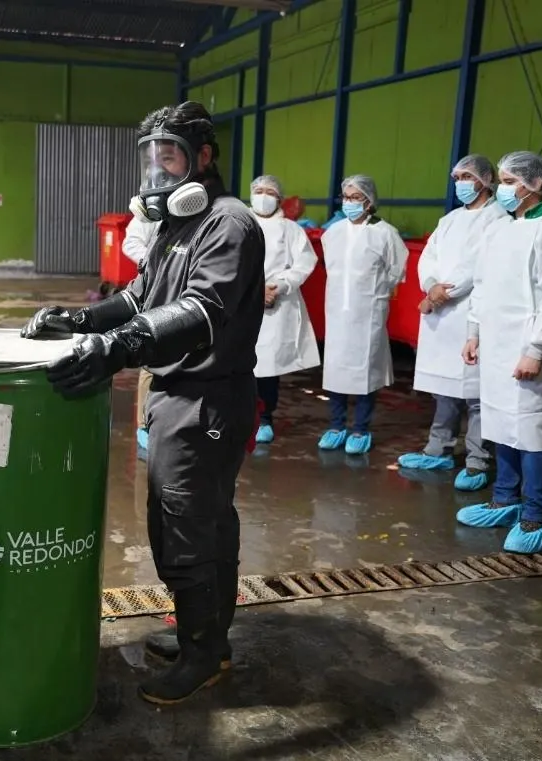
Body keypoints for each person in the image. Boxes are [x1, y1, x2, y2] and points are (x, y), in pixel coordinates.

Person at [20, 101, 264, 705]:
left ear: (203, 158)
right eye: (151, 156)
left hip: (207, 399)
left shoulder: (228, 224)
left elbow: (202, 310)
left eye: (170, 155)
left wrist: (117, 348)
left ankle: (203, 654)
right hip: (176, 394)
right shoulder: (176, 225)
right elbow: (139, 296)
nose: (158, 169)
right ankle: (207, 640)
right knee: (191, 519)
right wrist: (82, 319)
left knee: (188, 526)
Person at [458, 151, 542, 554]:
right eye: (501, 181)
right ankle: (504, 498)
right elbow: (483, 284)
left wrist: (536, 347)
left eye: (511, 181)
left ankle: (535, 513)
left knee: (530, 428)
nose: (503, 189)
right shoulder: (501, 228)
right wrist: (474, 331)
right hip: (496, 344)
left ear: (536, 184)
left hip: (531, 347)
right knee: (500, 422)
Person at [397, 155, 506, 490]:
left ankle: (477, 460)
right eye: (457, 177)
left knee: (476, 395)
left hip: (471, 313)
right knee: (443, 389)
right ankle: (438, 449)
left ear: (485, 180)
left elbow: (478, 266)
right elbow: (428, 257)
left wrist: (444, 293)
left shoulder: (498, 219)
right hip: (441, 317)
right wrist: (431, 286)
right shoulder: (450, 220)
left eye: (467, 177)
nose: (460, 183)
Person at [318, 174, 406, 455]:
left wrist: (377, 291)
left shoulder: (385, 233)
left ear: (369, 201)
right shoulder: (333, 233)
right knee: (335, 369)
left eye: (356, 197)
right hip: (337, 311)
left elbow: (397, 270)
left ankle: (361, 428)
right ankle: (336, 425)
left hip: (368, 312)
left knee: (366, 370)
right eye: (346, 197)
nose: (350, 202)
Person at [248, 174, 319, 443]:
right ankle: (239, 415)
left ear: (279, 199)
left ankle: (265, 417)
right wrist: (251, 289)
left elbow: (304, 263)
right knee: (238, 363)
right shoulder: (237, 223)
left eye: (270, 192)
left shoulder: (291, 230)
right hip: (242, 302)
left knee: (268, 364)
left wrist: (277, 286)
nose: (263, 197)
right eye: (259, 191)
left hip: (273, 302)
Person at [122, 214, 160, 451]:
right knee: (151, 359)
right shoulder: (154, 210)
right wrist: (158, 263)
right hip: (156, 287)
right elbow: (131, 243)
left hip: (187, 289)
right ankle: (144, 425)